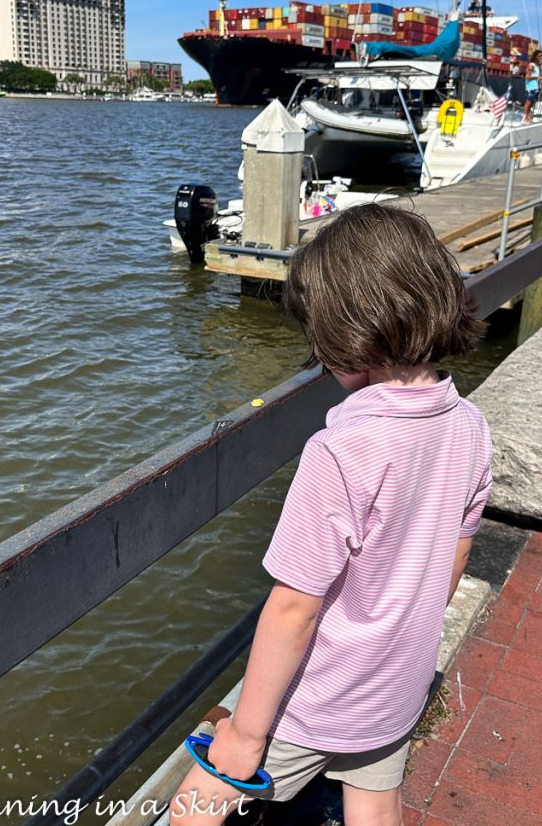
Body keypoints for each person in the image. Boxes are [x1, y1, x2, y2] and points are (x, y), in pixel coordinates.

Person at [170, 204, 493, 826]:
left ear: (347, 330)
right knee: (374, 806)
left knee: (193, 808)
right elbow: (452, 558)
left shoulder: (340, 450)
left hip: (317, 699)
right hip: (395, 686)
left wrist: (245, 734)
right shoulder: (471, 427)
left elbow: (295, 607)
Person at [523, 49, 542, 122]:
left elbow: (538, 76)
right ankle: (525, 119)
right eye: (539, 56)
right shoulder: (531, 65)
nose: (540, 57)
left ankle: (528, 118)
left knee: (531, 104)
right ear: (535, 56)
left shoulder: (537, 66)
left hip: (536, 87)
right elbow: (527, 76)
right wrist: (537, 77)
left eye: (541, 56)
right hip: (531, 87)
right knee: (528, 103)